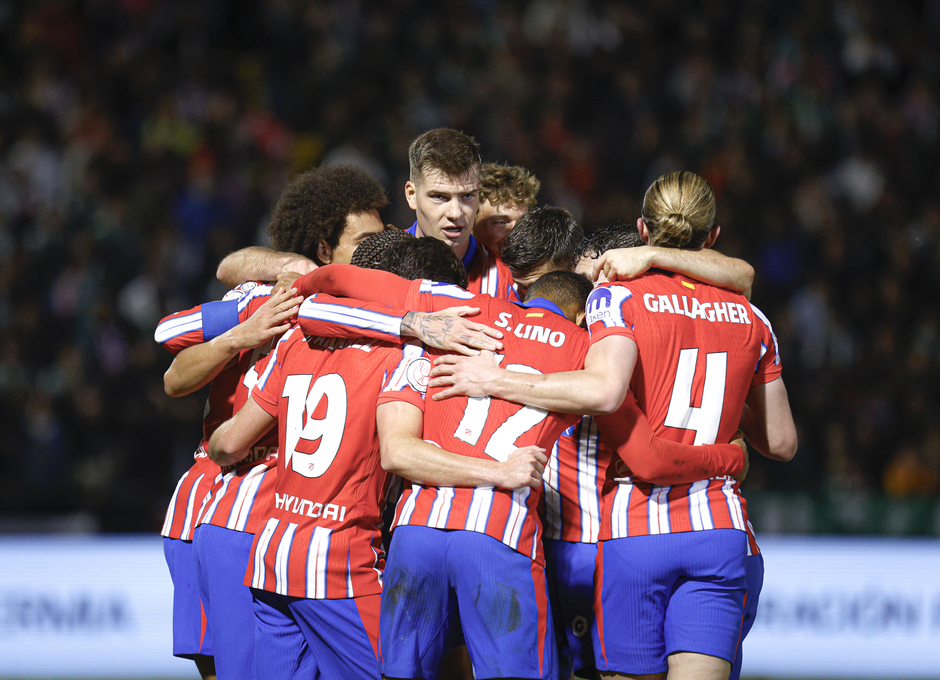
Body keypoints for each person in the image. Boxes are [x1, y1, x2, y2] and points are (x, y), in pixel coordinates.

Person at [430, 171, 797, 680]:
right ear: (709, 235)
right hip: (720, 530)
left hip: (613, 535)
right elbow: (779, 439)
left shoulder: (612, 307)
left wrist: (493, 380)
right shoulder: (749, 316)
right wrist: (726, 451)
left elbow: (627, 425)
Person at [206, 237, 543, 680]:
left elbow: (227, 445)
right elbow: (399, 452)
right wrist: (500, 471)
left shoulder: (298, 339)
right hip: (339, 565)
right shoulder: (403, 353)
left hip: (271, 560)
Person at [215, 164, 389, 287]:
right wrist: (291, 264)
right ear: (324, 250)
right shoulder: (290, 294)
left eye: (382, 236)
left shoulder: (397, 265)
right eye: (365, 241)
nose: (381, 248)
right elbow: (226, 269)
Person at [403, 128, 519, 301]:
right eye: (440, 197)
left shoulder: (510, 285)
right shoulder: (376, 268)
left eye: (467, 196)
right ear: (412, 195)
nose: (456, 213)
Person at [473, 162, 541, 255]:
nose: (516, 234)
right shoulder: (451, 267)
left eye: (523, 223)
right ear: (470, 225)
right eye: (501, 223)